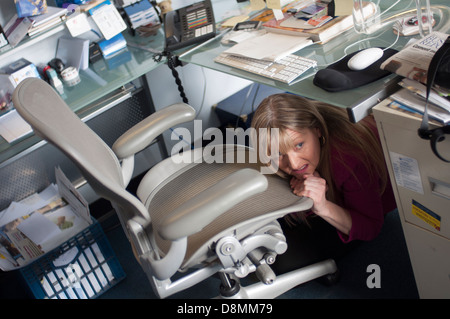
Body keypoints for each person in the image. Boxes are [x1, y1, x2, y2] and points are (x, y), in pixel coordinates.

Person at [250, 93, 396, 274]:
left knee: (275, 261)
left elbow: (371, 227)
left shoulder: (349, 157)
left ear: (317, 130)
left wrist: (322, 206)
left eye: (299, 145)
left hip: (364, 212)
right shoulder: (297, 145)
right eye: (278, 154)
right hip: (330, 191)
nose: (294, 164)